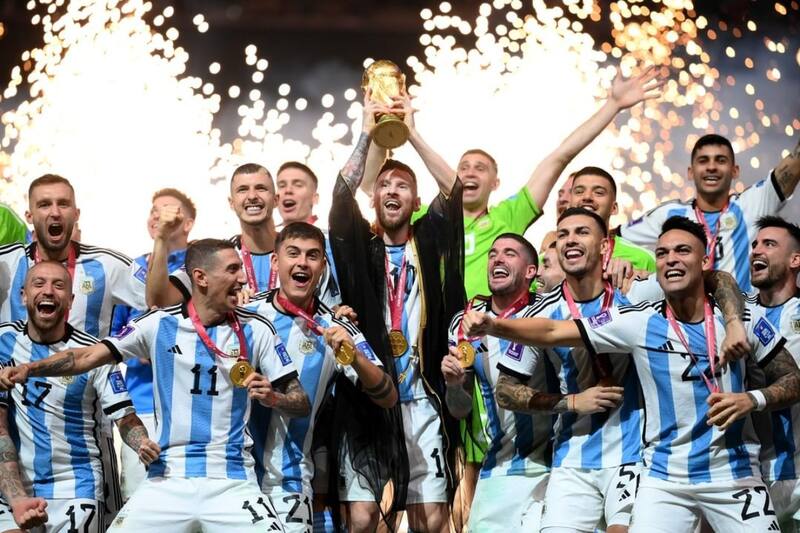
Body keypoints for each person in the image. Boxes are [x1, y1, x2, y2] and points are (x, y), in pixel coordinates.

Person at [362, 64, 666, 510]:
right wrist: (389, 130)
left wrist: (614, 105)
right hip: (439, 360)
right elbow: (375, 186)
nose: (468, 172)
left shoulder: (507, 219)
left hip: (504, 355)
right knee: (438, 499)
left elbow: (558, 158)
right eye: (463, 165)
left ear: (495, 181)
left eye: (480, 167)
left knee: (488, 470)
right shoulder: (428, 222)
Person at [463, 216, 800, 532]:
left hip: (733, 474)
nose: (671, 260)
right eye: (662, 254)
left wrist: (751, 399)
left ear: (704, 260)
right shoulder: (638, 321)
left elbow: (794, 380)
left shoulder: (743, 318)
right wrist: (495, 325)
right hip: (662, 478)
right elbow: (552, 331)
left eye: (683, 251)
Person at [0, 239, 312, 532]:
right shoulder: (156, 324)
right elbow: (85, 357)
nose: (242, 279)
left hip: (231, 479)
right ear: (201, 277)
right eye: (232, 269)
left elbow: (301, 402)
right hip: (167, 478)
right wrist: (31, 368)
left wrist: (274, 398)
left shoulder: (257, 328)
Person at [329, 94, 464, 532]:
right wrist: (368, 133)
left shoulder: (427, 240)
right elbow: (341, 191)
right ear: (374, 200)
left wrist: (412, 132)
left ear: (416, 199)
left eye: (402, 185)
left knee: (431, 521)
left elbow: (455, 189)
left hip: (423, 395)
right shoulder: (359, 249)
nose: (392, 190)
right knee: (364, 517)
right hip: (367, 394)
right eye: (384, 185)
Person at [497, 207, 643, 533]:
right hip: (572, 461)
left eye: (581, 232)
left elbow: (711, 280)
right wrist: (573, 403)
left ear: (605, 246)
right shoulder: (541, 313)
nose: (570, 240)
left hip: (634, 454)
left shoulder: (635, 298)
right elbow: (505, 391)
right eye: (563, 234)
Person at [246, 222, 397, 532]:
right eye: (293, 253)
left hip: (289, 477)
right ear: (276, 262)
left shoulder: (336, 326)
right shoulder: (245, 314)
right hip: (235, 472)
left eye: (312, 256)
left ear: (322, 267)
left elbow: (387, 395)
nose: (302, 262)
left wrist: (353, 354)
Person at [0, 261, 159, 533]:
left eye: (59, 285)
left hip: (76, 486)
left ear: (71, 301)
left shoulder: (92, 353)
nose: (48, 291)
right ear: (23, 295)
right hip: (14, 486)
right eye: (39, 284)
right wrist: (16, 497)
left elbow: (124, 416)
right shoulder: (3, 342)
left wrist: (142, 442)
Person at [441, 233, 552, 530]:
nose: (497, 259)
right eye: (492, 254)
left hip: (560, 462)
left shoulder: (550, 310)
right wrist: (453, 384)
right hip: (503, 465)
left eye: (509, 254)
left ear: (531, 271)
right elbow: (459, 409)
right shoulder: (464, 322)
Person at [619, 133, 800, 292]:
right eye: (703, 160)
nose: (711, 167)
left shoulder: (753, 203)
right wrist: (642, 266)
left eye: (720, 160)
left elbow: (794, 163)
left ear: (735, 170)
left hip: (742, 322)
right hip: (686, 324)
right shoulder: (668, 213)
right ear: (690, 172)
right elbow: (613, 240)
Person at [110, 188, 196, 500]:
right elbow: (114, 333)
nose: (158, 217)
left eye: (168, 211)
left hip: (189, 404)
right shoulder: (130, 268)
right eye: (154, 211)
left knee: (187, 503)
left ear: (186, 223)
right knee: (138, 498)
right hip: (142, 402)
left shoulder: (202, 265)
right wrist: (138, 344)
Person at [745, 216, 800, 531]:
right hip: (752, 476)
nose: (757, 250)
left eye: (769, 244)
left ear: (795, 259)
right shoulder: (735, 314)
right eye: (754, 245)